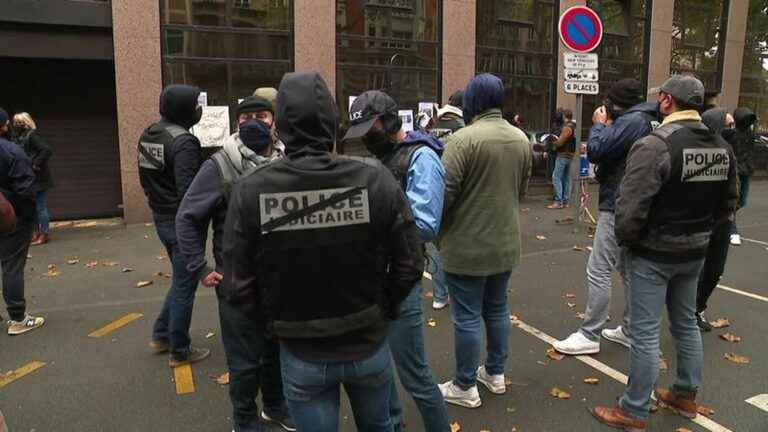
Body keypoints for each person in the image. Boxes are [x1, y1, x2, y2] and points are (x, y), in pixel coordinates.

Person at [223, 71, 423, 432]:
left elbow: (237, 283)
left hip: (302, 352)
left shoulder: (252, 190)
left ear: (279, 126)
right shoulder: (373, 177)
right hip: (367, 341)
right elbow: (410, 262)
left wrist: (274, 325)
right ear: (332, 123)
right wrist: (385, 308)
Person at [591, 75, 738, 431]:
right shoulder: (721, 147)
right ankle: (685, 394)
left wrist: (628, 245)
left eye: (662, 97)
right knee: (685, 323)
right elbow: (728, 203)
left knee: (644, 333)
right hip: (695, 250)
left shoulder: (655, 145)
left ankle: (634, 409)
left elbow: (630, 206)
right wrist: (701, 231)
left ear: (668, 101)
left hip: (653, 253)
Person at [175, 96, 294, 432]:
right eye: (246, 117)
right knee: (245, 361)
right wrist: (198, 267)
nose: (254, 122)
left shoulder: (288, 160)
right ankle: (244, 421)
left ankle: (275, 407)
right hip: (237, 282)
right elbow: (187, 217)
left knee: (275, 349)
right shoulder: (219, 165)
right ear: (236, 123)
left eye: (262, 115)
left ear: (274, 121)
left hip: (280, 281)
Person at [344, 90, 450, 432]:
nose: (367, 140)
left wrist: (371, 226)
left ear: (388, 122)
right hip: (372, 279)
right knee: (381, 370)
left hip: (401, 281)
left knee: (414, 373)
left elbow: (425, 225)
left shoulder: (421, 158)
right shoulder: (385, 159)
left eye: (369, 129)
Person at [437, 74, 531, 408]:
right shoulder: (521, 138)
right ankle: (495, 373)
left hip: (467, 245)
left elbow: (442, 194)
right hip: (505, 242)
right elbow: (521, 190)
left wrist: (434, 231)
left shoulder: (462, 140)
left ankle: (464, 385)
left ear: (472, 101)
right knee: (497, 309)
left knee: (465, 315)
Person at [552, 79, 659, 355]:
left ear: (614, 104)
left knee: (599, 267)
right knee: (628, 268)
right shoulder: (649, 119)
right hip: (638, 203)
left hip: (618, 204)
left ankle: (590, 333)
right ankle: (631, 329)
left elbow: (598, 150)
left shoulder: (632, 121)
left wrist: (599, 125)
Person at [137, 84, 208, 367]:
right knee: (185, 285)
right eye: (195, 105)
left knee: (181, 279)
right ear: (184, 109)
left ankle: (161, 334)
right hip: (182, 223)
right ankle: (180, 350)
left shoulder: (149, 134)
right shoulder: (184, 143)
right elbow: (190, 192)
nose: (198, 110)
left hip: (161, 217)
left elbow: (146, 179)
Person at [0, 108, 45, 335]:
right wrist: (29, 217)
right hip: (11, 217)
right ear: (3, 126)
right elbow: (26, 189)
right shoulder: (11, 151)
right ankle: (18, 318)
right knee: (12, 266)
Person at [695, 108, 737, 331]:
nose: (733, 131)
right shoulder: (697, 148)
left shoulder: (729, 150)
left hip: (722, 221)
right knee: (692, 269)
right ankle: (687, 309)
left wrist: (727, 216)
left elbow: (733, 189)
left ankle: (698, 306)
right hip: (699, 220)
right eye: (728, 126)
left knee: (715, 269)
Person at [12, 112, 53, 245]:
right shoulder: (19, 137)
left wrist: (35, 164)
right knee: (32, 206)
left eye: (18, 122)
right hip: (29, 177)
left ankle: (44, 234)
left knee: (40, 206)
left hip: (38, 178)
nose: (16, 125)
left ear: (25, 123)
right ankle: (36, 233)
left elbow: (46, 150)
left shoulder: (32, 135)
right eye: (14, 122)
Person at [728, 107, 758, 246]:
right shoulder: (731, 134)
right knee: (733, 201)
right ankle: (732, 230)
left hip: (746, 171)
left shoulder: (750, 134)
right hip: (735, 172)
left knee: (742, 200)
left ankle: (726, 217)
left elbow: (751, 152)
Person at [547, 108, 576, 209]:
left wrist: (553, 141)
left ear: (564, 116)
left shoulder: (567, 127)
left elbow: (560, 142)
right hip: (571, 155)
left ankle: (558, 201)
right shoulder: (575, 126)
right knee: (566, 178)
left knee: (556, 177)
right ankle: (566, 201)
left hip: (563, 154)